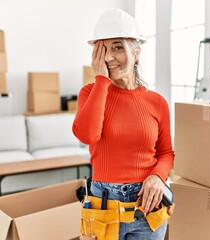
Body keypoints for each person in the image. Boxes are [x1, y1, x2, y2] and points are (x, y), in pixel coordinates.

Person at [72, 8, 175, 240]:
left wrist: (158, 177)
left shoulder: (156, 102)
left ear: (136, 52)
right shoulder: (90, 93)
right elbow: (87, 135)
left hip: (147, 206)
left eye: (117, 47)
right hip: (103, 205)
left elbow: (166, 153)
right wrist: (101, 81)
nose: (108, 58)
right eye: (103, 49)